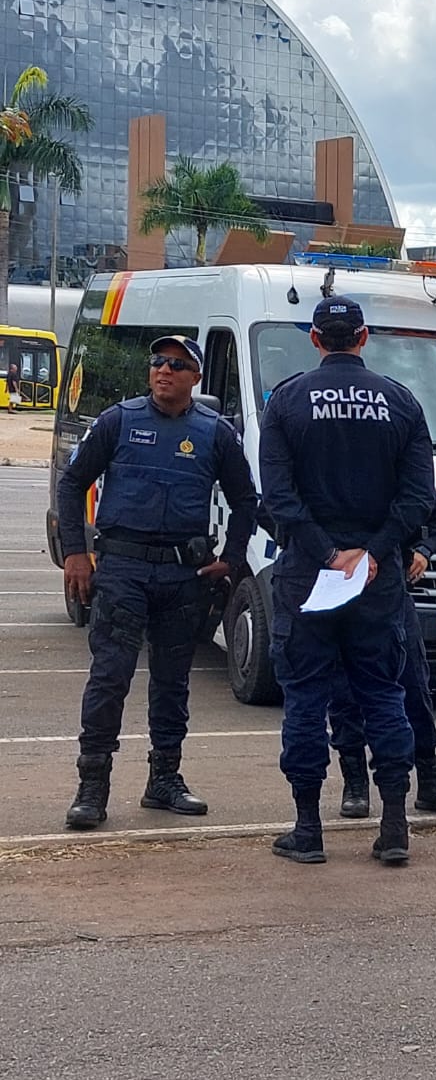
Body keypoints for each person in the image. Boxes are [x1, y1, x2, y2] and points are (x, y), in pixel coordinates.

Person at [258, 295, 435, 866]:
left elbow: (279, 500)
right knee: (385, 694)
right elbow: (418, 500)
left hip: (309, 571)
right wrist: (374, 551)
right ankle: (394, 823)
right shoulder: (401, 403)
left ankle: (308, 827)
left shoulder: (286, 400)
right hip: (375, 576)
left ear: (315, 338)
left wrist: (329, 552)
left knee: (306, 699)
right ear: (364, 337)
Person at [55, 335, 258, 829]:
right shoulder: (118, 421)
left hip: (182, 574)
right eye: (158, 363)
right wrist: (76, 554)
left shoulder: (215, 434)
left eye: (177, 364)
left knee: (172, 683)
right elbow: (71, 483)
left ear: (196, 377)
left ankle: (164, 780)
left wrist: (230, 560)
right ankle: (92, 787)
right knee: (110, 677)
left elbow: (246, 500)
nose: (164, 371)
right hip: (122, 569)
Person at [328, 493, 436, 819]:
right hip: (340, 586)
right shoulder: (327, 458)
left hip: (391, 588)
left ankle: (431, 780)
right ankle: (355, 783)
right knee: (344, 690)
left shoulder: (393, 461)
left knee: (414, 685)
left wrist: (423, 549)